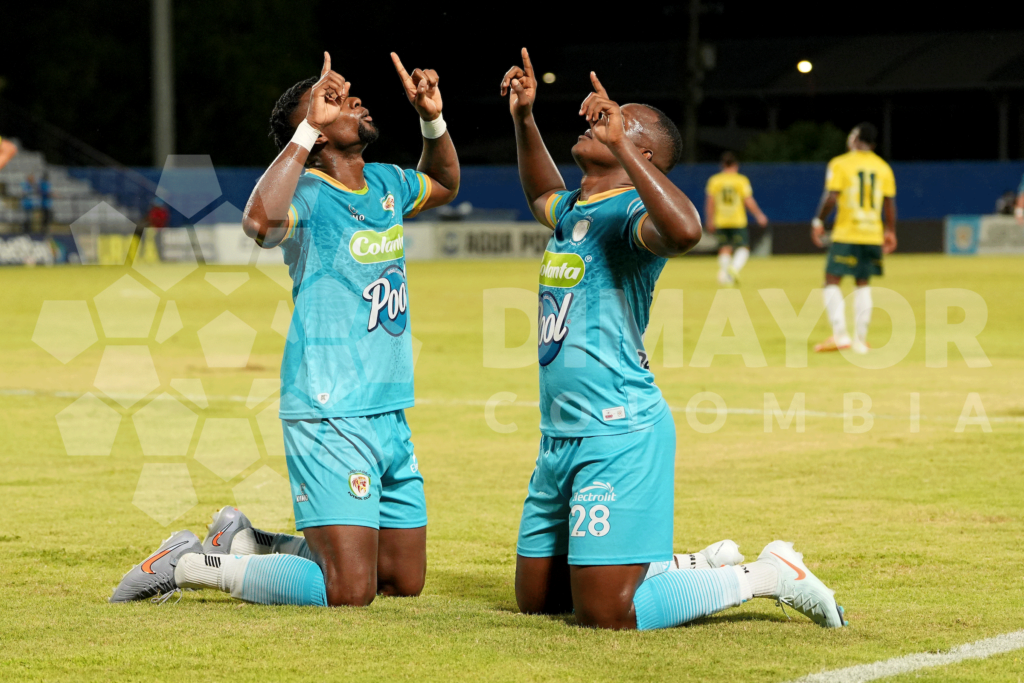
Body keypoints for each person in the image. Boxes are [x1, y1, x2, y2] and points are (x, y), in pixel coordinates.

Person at [501, 48, 846, 631]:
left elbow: (686, 232)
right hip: (559, 435)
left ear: (642, 156)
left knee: (607, 612)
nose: (599, 120)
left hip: (618, 431)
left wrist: (621, 150)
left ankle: (767, 574)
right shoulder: (576, 207)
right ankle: (685, 564)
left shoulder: (633, 215)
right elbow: (540, 195)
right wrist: (524, 118)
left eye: (619, 122)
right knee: (539, 600)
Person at [111, 51, 460, 607]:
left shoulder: (387, 183)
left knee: (400, 579)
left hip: (388, 407)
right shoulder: (309, 196)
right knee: (349, 592)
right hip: (330, 405)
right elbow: (259, 223)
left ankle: (245, 542)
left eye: (345, 94)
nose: (352, 100)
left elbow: (442, 181)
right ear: (315, 133)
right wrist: (304, 131)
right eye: (333, 101)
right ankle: (186, 565)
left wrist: (432, 119)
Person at [811, 123, 897, 355]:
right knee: (863, 282)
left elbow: (832, 197)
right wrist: (890, 231)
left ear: (855, 139)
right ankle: (860, 340)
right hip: (872, 234)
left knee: (831, 280)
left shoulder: (840, 163)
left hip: (847, 232)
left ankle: (840, 335)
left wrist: (818, 221)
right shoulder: (883, 167)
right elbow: (889, 203)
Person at [704, 151, 768, 285]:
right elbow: (748, 200)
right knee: (743, 247)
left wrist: (709, 219)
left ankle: (725, 276)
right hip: (737, 220)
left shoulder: (715, 180)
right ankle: (733, 268)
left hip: (721, 220)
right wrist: (759, 215)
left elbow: (710, 202)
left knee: (724, 248)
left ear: (722, 165)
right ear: (736, 165)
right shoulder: (741, 180)